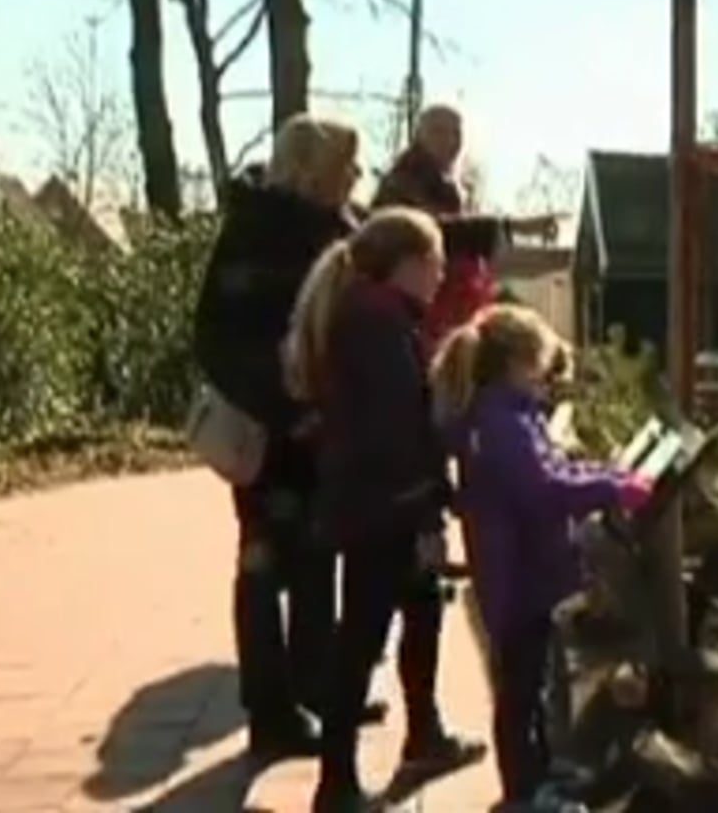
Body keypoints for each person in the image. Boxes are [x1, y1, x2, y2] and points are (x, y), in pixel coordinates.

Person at [284, 208, 484, 811]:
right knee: (363, 636)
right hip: (385, 504)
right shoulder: (378, 325)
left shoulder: (370, 315)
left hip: (370, 498)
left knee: (418, 613)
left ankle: (422, 735)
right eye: (436, 264)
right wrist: (428, 503)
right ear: (409, 264)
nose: (441, 276)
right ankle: (336, 780)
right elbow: (397, 426)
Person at [192, 113, 374, 760]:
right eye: (346, 166)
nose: (357, 177)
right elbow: (216, 336)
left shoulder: (336, 228)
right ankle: (270, 709)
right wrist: (282, 408)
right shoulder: (258, 234)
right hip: (274, 438)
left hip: (318, 431)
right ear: (314, 170)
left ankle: (317, 687)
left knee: (317, 558)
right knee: (266, 563)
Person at [432, 305, 652, 807]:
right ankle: (523, 791)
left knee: (534, 684)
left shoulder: (511, 414)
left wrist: (610, 479)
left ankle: (540, 771)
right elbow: (544, 488)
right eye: (540, 362)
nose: (545, 375)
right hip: (518, 579)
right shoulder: (502, 422)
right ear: (519, 361)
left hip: (523, 574)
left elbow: (553, 469)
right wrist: (612, 490)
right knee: (520, 690)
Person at [374, 104, 556, 352]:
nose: (450, 141)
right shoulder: (406, 182)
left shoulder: (443, 183)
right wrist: (514, 227)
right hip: (418, 315)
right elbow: (438, 232)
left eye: (456, 133)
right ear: (419, 136)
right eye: (439, 132)